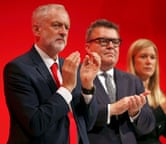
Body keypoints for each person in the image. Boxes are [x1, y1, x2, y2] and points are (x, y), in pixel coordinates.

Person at [3, 4, 100, 144]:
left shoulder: (71, 68)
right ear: (37, 29)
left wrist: (87, 87)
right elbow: (35, 124)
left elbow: (88, 124)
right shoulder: (18, 69)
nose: (63, 32)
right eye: (56, 25)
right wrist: (66, 88)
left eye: (67, 27)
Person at [84, 19, 155, 144]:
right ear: (88, 47)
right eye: (103, 41)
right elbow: (81, 116)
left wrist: (135, 113)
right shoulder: (78, 76)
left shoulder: (132, 80)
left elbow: (149, 125)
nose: (111, 46)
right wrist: (112, 109)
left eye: (115, 42)